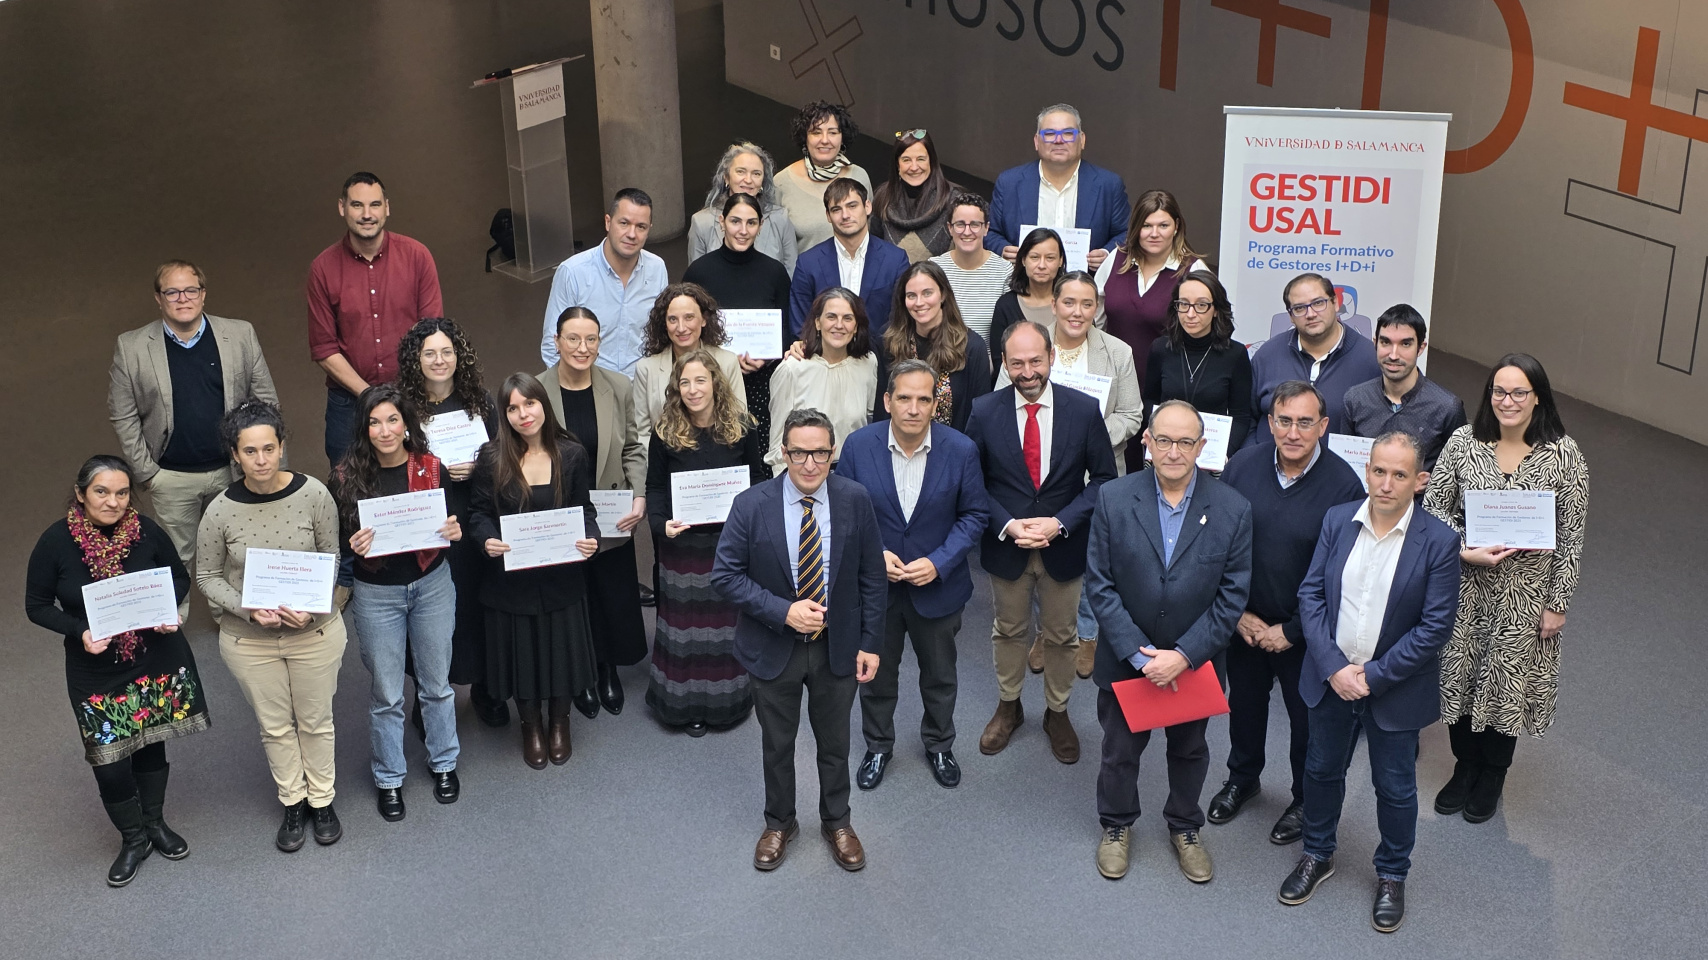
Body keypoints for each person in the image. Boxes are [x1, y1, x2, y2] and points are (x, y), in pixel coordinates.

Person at [1282, 432, 1462, 934]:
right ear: (1367, 472)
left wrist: (1373, 677)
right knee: (1320, 771)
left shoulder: (1440, 542)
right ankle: (1317, 854)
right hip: (1332, 678)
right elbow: (1311, 594)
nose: (1386, 483)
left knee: (1396, 788)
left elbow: (1435, 627)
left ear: (1419, 481)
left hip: (1395, 689)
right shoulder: (1339, 520)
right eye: (1378, 471)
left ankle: (1391, 874)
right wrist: (1335, 666)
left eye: (1399, 474)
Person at [710, 409, 888, 872]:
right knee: (778, 744)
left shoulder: (855, 499)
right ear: (782, 453)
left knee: (835, 743)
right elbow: (725, 576)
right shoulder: (751, 505)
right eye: (799, 453)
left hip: (838, 646)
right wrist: (782, 610)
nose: (810, 464)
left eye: (820, 453)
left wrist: (870, 642)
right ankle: (779, 821)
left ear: (833, 454)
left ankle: (837, 821)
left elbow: (872, 577)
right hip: (772, 648)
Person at [1084, 400, 1253, 885]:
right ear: (1147, 442)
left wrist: (1182, 656)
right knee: (1119, 752)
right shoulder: (1114, 499)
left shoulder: (1232, 509)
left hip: (1193, 663)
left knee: (1190, 750)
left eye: (1185, 442)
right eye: (1164, 440)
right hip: (1126, 659)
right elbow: (1100, 584)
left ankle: (1184, 825)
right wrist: (1139, 654)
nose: (1174, 451)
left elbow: (1232, 595)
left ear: (1202, 447)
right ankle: (1116, 825)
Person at [1423, 354, 1589, 823]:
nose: (1507, 401)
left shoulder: (1565, 455)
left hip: (1526, 597)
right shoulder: (1463, 444)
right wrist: (1462, 549)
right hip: (1465, 590)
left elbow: (1572, 536)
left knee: (1505, 687)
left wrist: (1557, 605)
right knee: (1460, 680)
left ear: (1538, 397)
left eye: (1519, 392)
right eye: (1499, 391)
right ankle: (1464, 766)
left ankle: (1492, 775)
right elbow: (1433, 514)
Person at [26, 455, 206, 886]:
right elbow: (36, 606)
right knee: (108, 761)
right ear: (81, 494)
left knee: (149, 744)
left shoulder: (146, 531)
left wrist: (168, 610)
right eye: (102, 492)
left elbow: (178, 578)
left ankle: (155, 824)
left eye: (122, 492)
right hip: (95, 667)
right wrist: (78, 630)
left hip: (153, 657)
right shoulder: (55, 542)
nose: (112, 502)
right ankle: (133, 839)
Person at [1213, 382, 1365, 845]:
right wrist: (1237, 614)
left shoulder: (1344, 485)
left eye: (1304, 422)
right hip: (1245, 622)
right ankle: (1243, 777)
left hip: (1307, 633)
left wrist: (1294, 630)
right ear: (1270, 422)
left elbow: (1345, 577)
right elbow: (1216, 545)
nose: (1292, 432)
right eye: (1283, 420)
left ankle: (1303, 798)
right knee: (1244, 706)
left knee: (1306, 722)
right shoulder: (1241, 466)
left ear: (1323, 427)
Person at [194, 401, 346, 852]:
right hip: (250, 641)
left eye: (269, 448)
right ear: (235, 456)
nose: (261, 460)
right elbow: (206, 576)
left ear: (282, 447)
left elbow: (332, 558)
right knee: (275, 725)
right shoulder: (219, 510)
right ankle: (293, 801)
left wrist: (315, 607)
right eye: (249, 451)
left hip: (313, 633)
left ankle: (322, 800)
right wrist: (246, 608)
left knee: (316, 721)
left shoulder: (315, 494)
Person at [964, 322, 1117, 764]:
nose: (1027, 371)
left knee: (1062, 635)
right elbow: (971, 482)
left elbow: (1104, 479)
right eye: (1017, 363)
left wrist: (1060, 523)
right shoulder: (984, 410)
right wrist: (1007, 524)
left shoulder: (1083, 409)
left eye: (1035, 361)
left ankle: (1057, 712)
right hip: (1006, 546)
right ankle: (1008, 706)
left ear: (1051, 357)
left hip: (1064, 546)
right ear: (1004, 364)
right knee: (1008, 630)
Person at [837, 360, 990, 790]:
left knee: (940, 674)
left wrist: (940, 561)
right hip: (875, 589)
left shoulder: (960, 449)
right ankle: (878, 746)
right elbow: (844, 514)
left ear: (936, 404)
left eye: (924, 399)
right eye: (904, 398)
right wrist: (874, 555)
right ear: (887, 401)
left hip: (937, 587)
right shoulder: (857, 446)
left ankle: (939, 744)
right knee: (876, 676)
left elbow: (975, 514)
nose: (913, 408)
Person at [108, 259, 278, 619]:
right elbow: (123, 415)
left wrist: (262, 462)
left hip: (234, 471)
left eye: (191, 290)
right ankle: (173, 626)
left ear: (203, 294)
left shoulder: (240, 334)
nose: (182, 298)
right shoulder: (132, 346)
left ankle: (233, 621)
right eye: (172, 291)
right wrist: (148, 473)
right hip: (171, 476)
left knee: (239, 552)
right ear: (158, 298)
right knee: (175, 558)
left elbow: (266, 402)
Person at [996, 272, 1144, 680]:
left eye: (1087, 303)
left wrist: (1084, 441)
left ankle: (1088, 633)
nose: (1077, 312)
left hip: (1098, 471)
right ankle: (1049, 631)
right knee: (1045, 555)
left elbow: (1132, 414)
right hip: (1037, 473)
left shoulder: (1117, 352)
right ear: (1055, 305)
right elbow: (1001, 398)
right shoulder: (1029, 342)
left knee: (1091, 556)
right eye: (1069, 302)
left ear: (1096, 308)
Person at [331, 385, 465, 822]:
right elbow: (339, 544)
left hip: (431, 585)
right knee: (386, 693)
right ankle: (390, 776)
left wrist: (453, 531)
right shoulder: (347, 476)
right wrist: (351, 545)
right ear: (364, 428)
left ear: (407, 423)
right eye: (374, 422)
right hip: (377, 595)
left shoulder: (431, 468)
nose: (385, 430)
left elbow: (447, 523)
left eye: (392, 420)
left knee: (437, 684)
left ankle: (444, 762)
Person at [469, 374, 601, 769]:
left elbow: (585, 512)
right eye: (512, 408)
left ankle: (559, 722)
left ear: (544, 405)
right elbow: (477, 513)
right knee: (522, 655)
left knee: (560, 653)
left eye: (529, 404)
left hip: (560, 580)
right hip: (511, 583)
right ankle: (530, 725)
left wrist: (591, 537)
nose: (523, 414)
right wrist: (486, 539)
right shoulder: (491, 458)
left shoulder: (571, 453)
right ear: (504, 415)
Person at [645, 350, 770, 735]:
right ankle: (680, 706)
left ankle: (725, 705)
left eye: (701, 380)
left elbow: (760, 482)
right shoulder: (665, 431)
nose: (693, 389)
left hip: (729, 545)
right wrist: (660, 523)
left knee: (725, 626)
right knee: (684, 630)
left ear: (716, 382)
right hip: (681, 548)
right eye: (685, 382)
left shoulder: (743, 426)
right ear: (676, 388)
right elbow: (653, 487)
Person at [396, 317, 507, 727]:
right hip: (432, 524)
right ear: (415, 359)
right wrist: (440, 470)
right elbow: (393, 464)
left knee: (480, 604)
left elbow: (501, 455)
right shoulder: (402, 407)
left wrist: (480, 467)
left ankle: (486, 689)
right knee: (433, 615)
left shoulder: (479, 399)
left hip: (476, 513)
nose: (439, 360)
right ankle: (428, 700)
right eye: (429, 353)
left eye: (447, 351)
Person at [541, 308, 649, 717]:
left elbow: (634, 446)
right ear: (557, 341)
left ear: (600, 342)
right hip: (561, 510)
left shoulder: (619, 385)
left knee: (610, 592)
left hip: (610, 509)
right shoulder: (537, 389)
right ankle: (581, 675)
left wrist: (639, 495)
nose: (582, 348)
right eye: (573, 339)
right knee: (574, 594)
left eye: (591, 340)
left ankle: (607, 670)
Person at [307, 171, 443, 465]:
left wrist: (400, 397)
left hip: (412, 394)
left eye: (375, 205)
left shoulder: (417, 256)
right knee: (349, 491)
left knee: (423, 483)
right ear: (342, 208)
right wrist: (371, 395)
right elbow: (324, 348)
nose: (367, 214)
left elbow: (432, 332)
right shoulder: (323, 268)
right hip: (349, 403)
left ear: (387, 208)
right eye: (357, 205)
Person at [683, 192, 794, 467]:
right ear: (721, 222)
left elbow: (787, 329)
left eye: (751, 223)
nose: (743, 231)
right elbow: (689, 330)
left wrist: (767, 356)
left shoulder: (775, 272)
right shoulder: (699, 272)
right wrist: (726, 362)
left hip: (764, 384)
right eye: (735, 221)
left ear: (761, 225)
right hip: (712, 384)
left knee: (760, 459)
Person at [540, 187, 668, 374]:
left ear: (649, 230)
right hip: (591, 385)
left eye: (641, 226)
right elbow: (552, 345)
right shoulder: (573, 272)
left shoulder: (657, 268)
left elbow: (661, 333)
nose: (632, 234)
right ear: (608, 222)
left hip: (642, 385)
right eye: (624, 223)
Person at [986, 103, 1130, 268]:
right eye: (1049, 134)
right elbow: (990, 232)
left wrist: (1107, 253)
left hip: (1085, 286)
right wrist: (1003, 249)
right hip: (1024, 284)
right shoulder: (1009, 183)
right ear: (1036, 141)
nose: (1059, 140)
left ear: (1082, 140)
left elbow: (1126, 233)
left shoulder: (1108, 185)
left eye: (1068, 133)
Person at [1248, 272, 1381, 448]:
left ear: (1336, 303)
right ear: (1290, 316)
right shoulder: (1267, 356)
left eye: (1318, 303)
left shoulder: (1371, 359)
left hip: (1338, 473)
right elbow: (1247, 420)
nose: (1310, 314)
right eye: (1299, 308)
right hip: (1268, 470)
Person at [1096, 190, 1213, 388]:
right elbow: (1096, 320)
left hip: (1167, 385)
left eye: (1163, 225)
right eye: (1146, 225)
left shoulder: (1193, 270)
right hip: (1112, 380)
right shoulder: (1116, 258)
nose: (1154, 233)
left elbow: (1208, 335)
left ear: (1176, 227)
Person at [1341, 304, 1468, 472]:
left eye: (1405, 344)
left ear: (1421, 348)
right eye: (1385, 342)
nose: (1393, 355)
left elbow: (1459, 474)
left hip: (1421, 499)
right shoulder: (1355, 399)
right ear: (1375, 343)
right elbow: (1344, 468)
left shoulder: (1447, 407)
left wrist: (1430, 485)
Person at [873, 261, 991, 433]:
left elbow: (979, 417)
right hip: (897, 448)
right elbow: (882, 409)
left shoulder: (971, 346)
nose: (919, 302)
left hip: (952, 452)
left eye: (927, 293)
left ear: (943, 295)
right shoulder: (889, 340)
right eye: (911, 295)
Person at [767, 288, 878, 469]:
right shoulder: (791, 368)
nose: (839, 325)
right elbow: (778, 441)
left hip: (854, 472)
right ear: (818, 322)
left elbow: (871, 422)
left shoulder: (869, 363)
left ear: (856, 326)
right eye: (831, 317)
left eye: (848, 318)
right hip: (805, 473)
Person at [1144, 271, 1255, 453]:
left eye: (1201, 305)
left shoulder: (1235, 354)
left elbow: (1241, 417)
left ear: (1216, 310)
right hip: (1165, 449)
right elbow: (1149, 401)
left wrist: (1223, 453)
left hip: (1212, 453)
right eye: (1184, 304)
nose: (1190, 314)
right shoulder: (1160, 349)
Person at [632, 283, 752, 449]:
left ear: (704, 319)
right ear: (664, 324)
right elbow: (640, 433)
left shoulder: (727, 362)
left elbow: (739, 422)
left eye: (689, 317)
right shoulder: (646, 368)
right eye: (673, 319)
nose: (681, 328)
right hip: (663, 464)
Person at [788, 177, 910, 340]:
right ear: (828, 216)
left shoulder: (895, 259)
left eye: (852, 206)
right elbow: (800, 327)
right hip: (824, 360)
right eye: (836, 209)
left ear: (867, 206)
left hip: (881, 359)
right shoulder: (808, 263)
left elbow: (901, 321)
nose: (845, 215)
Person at [775, 100, 873, 253]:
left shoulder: (859, 176)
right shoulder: (781, 183)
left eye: (833, 132)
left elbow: (871, 233)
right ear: (805, 138)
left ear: (842, 138)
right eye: (816, 132)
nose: (825, 140)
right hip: (804, 276)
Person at [686, 141, 798, 274]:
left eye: (756, 174)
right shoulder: (701, 223)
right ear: (726, 177)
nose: (748, 180)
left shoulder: (780, 219)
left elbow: (791, 274)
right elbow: (696, 281)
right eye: (741, 172)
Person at [871, 129, 963, 262]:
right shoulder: (882, 198)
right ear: (897, 164)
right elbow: (874, 254)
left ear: (931, 161)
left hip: (942, 282)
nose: (914, 167)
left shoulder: (954, 200)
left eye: (921, 159)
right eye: (906, 160)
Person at [930, 193, 1010, 340]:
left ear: (986, 228)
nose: (967, 232)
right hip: (942, 359)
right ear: (950, 228)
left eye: (975, 224)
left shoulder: (1004, 271)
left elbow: (1008, 330)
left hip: (989, 361)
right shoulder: (934, 269)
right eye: (960, 224)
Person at [988, 227, 1064, 370]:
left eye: (1050, 258)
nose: (1042, 265)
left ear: (1060, 261)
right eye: (1034, 257)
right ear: (1023, 260)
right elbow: (1000, 362)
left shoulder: (1071, 304)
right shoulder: (1006, 305)